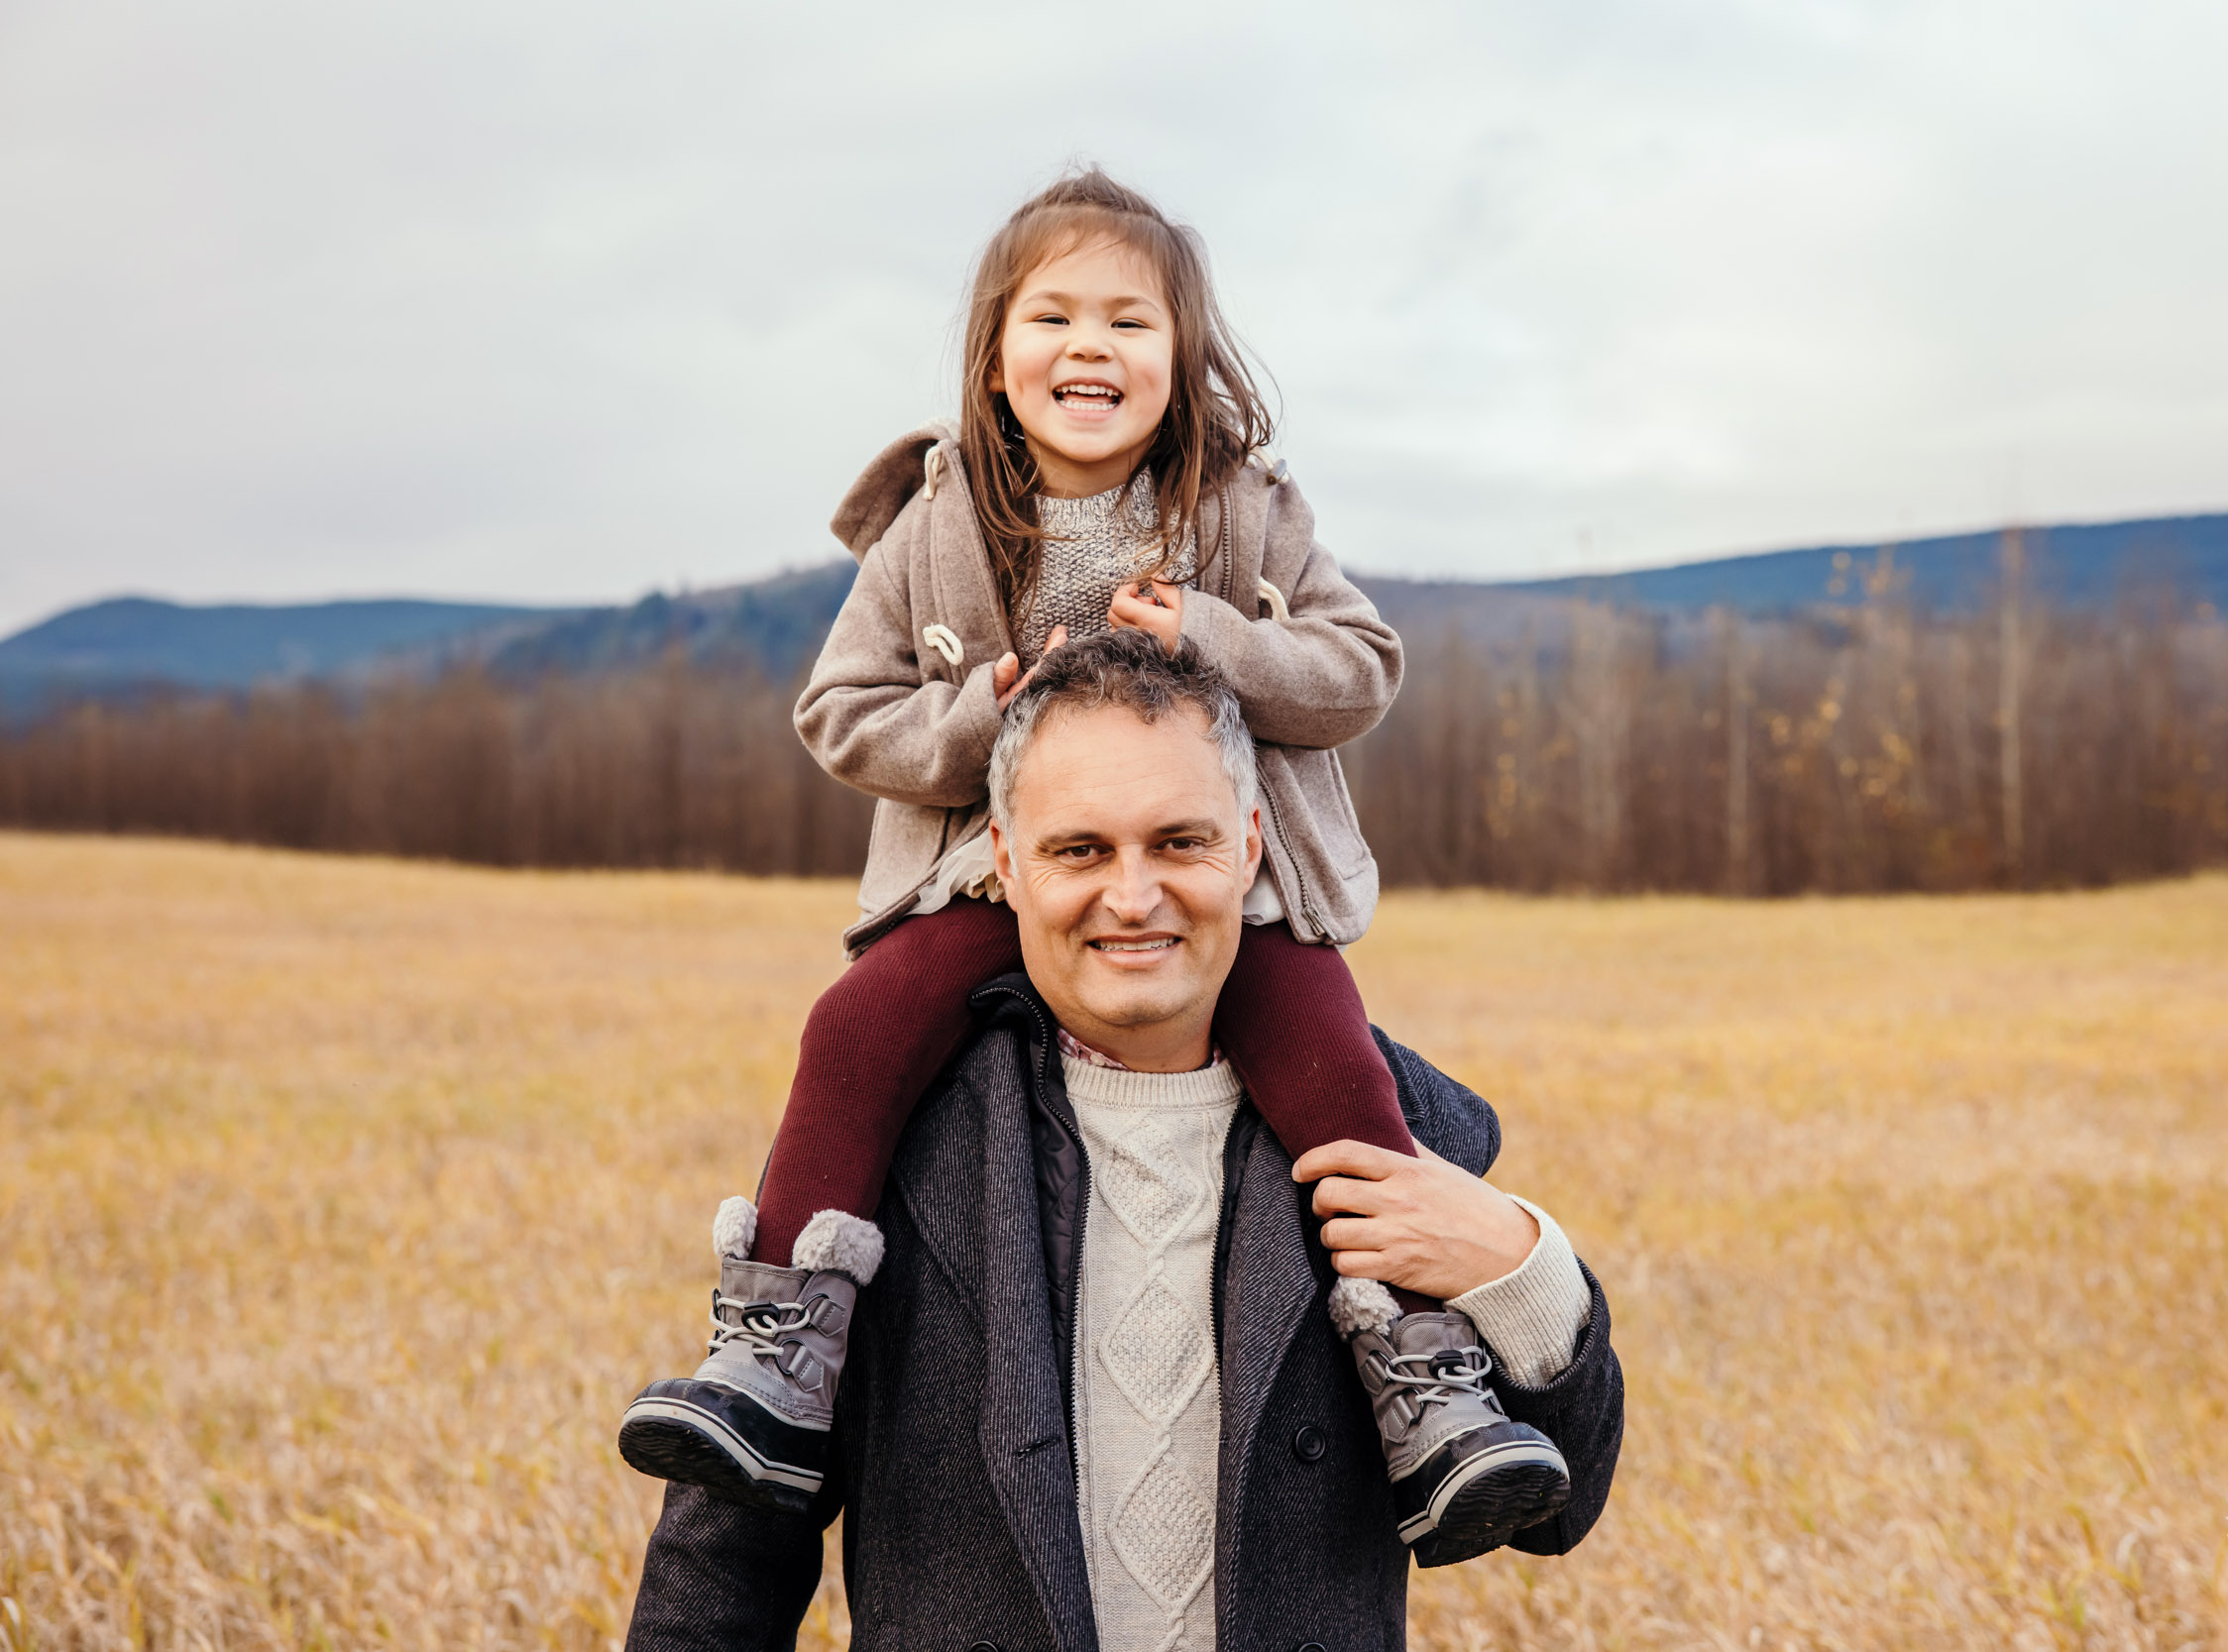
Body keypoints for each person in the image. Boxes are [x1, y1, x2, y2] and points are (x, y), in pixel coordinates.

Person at [617, 167, 1566, 1552]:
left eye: (1129, 322)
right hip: (986, 880)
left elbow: (1364, 665)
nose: (1089, 347)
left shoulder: (1247, 510)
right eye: (1051, 316)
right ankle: (777, 1357)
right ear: (995, 362)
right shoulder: (934, 526)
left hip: (1224, 890)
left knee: (1335, 1063)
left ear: (1180, 365)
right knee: (854, 1026)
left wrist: (1216, 638)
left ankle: (1421, 1380)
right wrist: (987, 701)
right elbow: (837, 711)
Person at [623, 631, 1624, 1652]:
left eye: (1179, 841)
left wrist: (1519, 1260)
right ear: (1004, 864)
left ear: (1249, 847)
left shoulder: (1387, 1126)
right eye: (1080, 848)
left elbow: (1556, 1506)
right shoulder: (891, 1145)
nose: (1134, 895)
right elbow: (728, 1550)